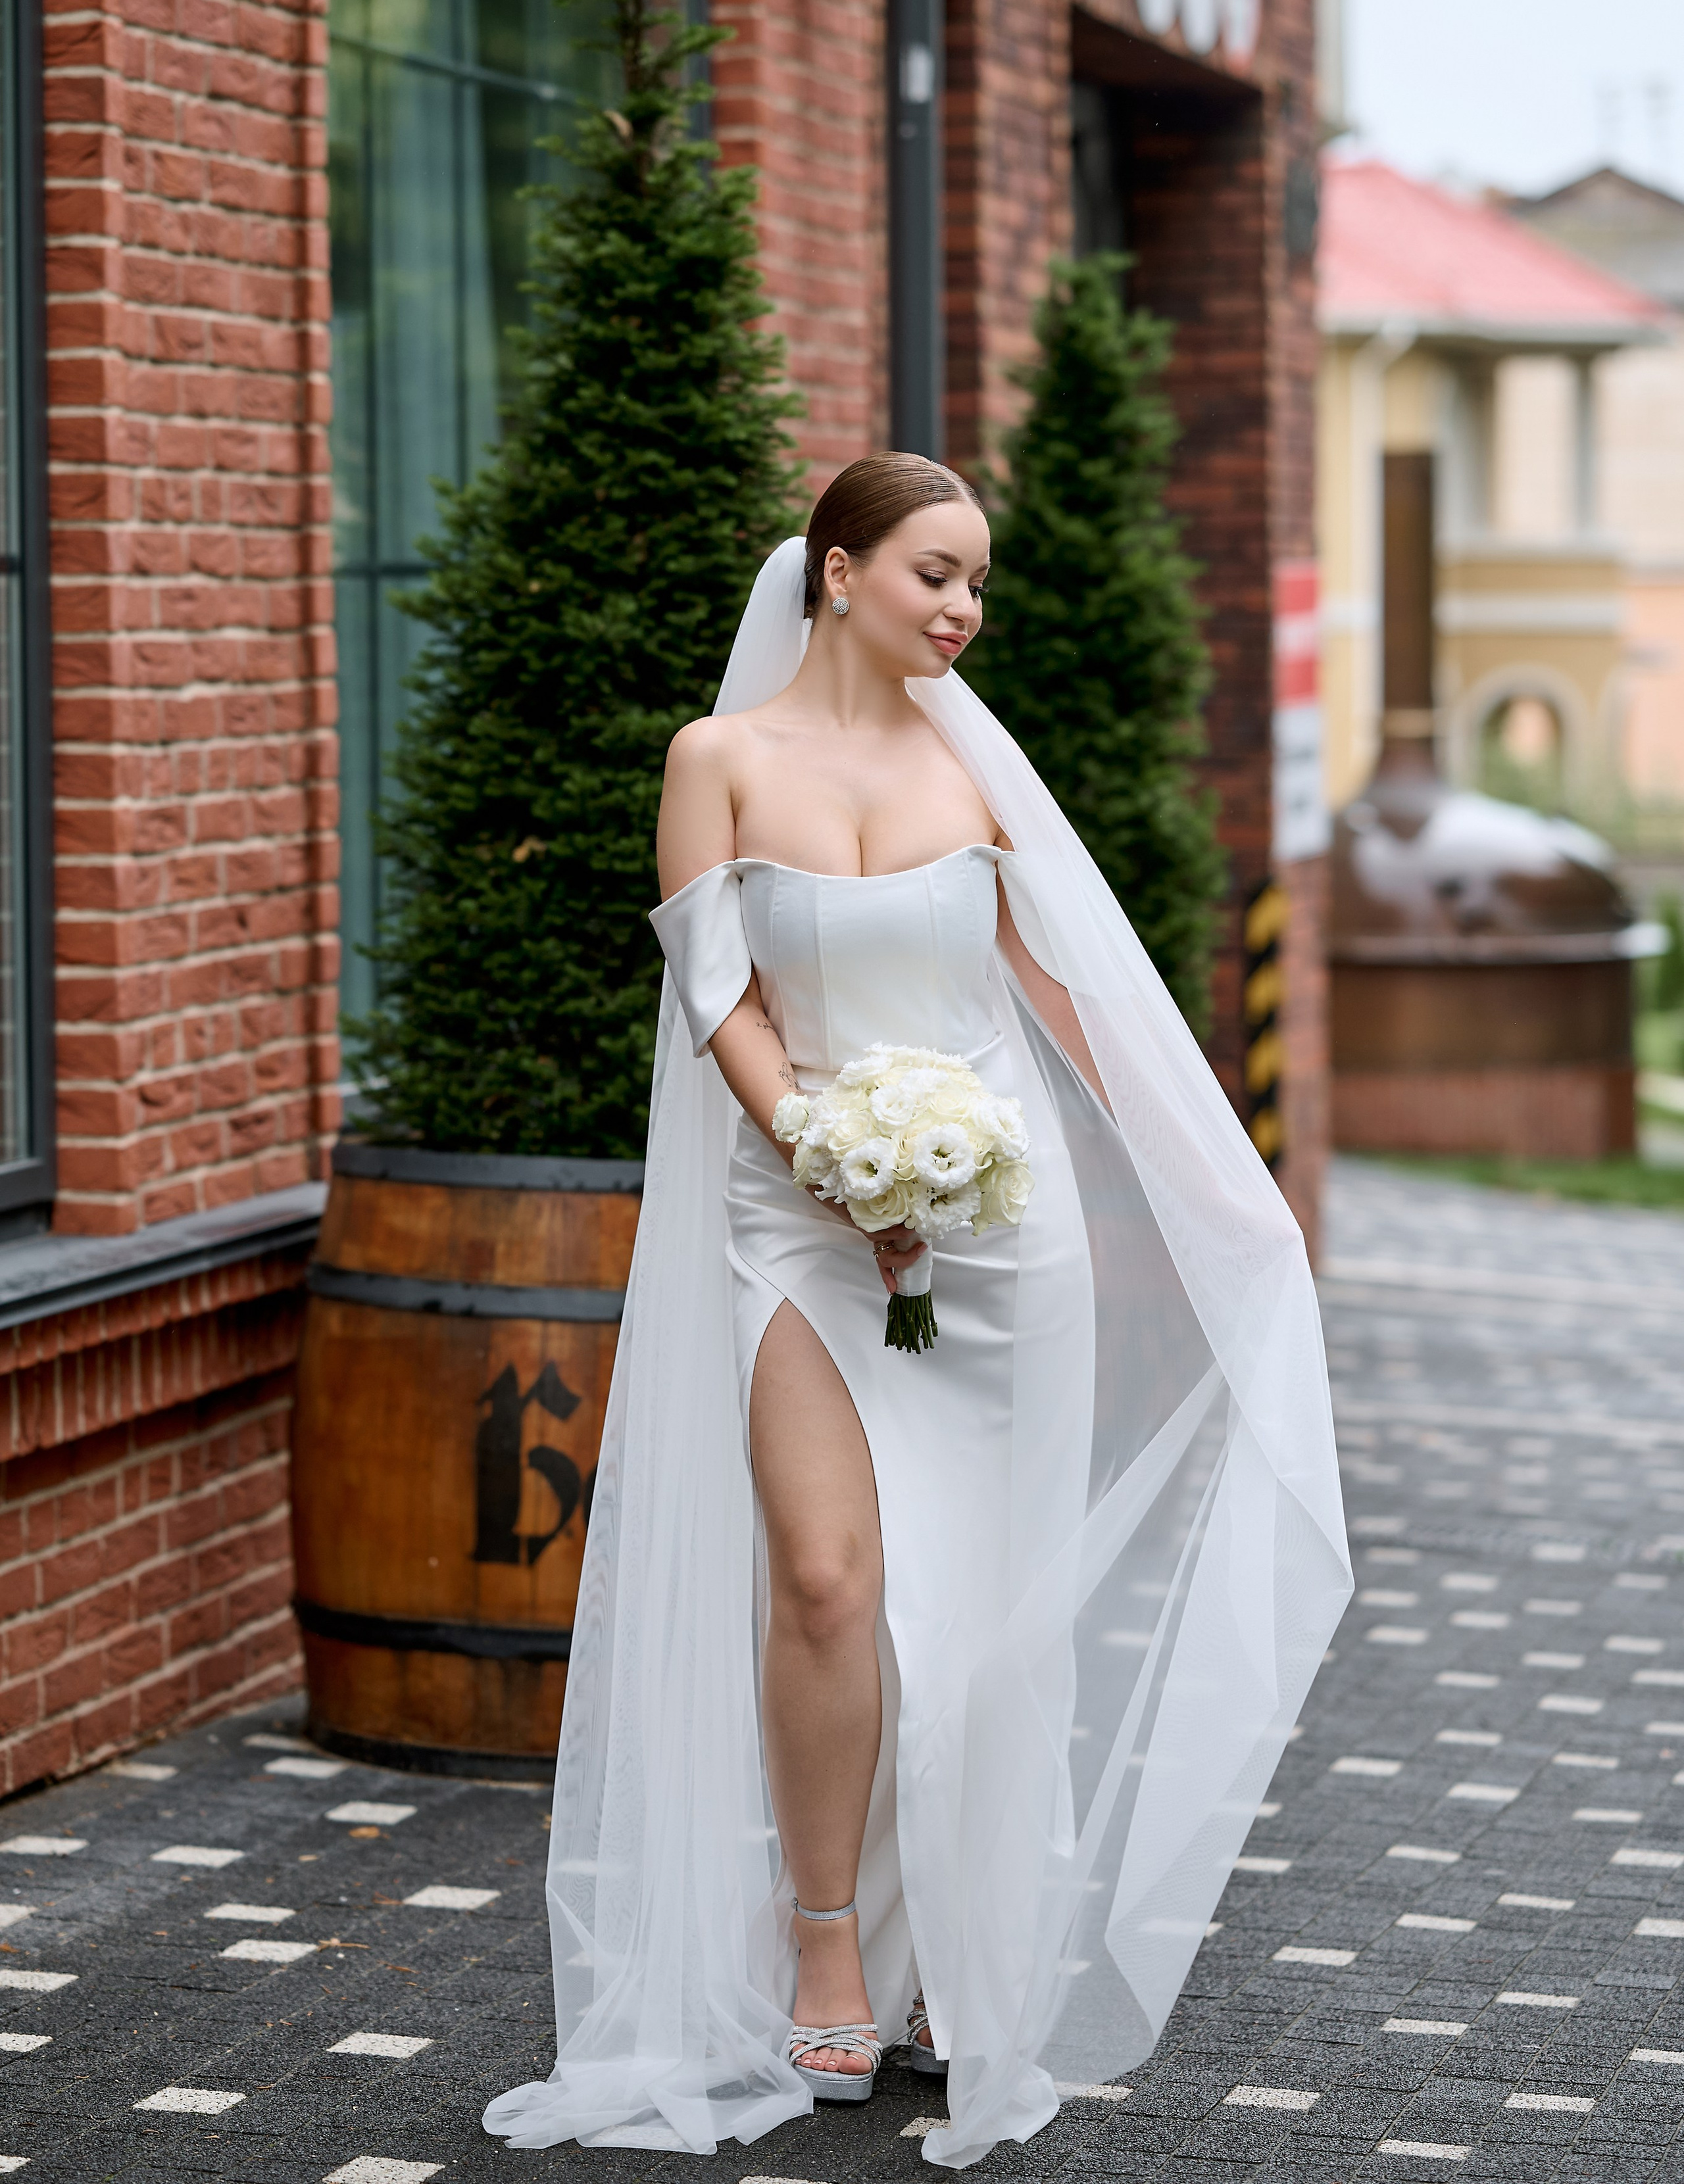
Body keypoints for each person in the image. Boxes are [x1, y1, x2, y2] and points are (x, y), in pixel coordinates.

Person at [485, 454, 1349, 2170]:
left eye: (976, 584)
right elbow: (718, 993)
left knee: (985, 1611)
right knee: (826, 1581)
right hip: (792, 1223)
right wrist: (818, 1152)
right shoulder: (719, 760)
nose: (961, 607)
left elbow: (1079, 1001)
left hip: (994, 1237)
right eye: (933, 572)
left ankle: (960, 1939)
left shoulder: (980, 770)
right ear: (838, 570)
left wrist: (1220, 1196)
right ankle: (824, 1940)